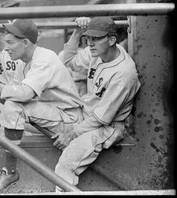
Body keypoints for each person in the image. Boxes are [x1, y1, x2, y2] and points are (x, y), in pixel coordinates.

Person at [0, 19, 84, 193]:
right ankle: (8, 170)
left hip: (69, 118)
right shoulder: (23, 62)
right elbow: (15, 90)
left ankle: (10, 172)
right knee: (7, 113)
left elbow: (24, 94)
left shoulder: (44, 58)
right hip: (51, 114)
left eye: (10, 42)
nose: (6, 48)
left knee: (13, 106)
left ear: (26, 42)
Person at [53, 17, 141, 191]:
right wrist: (78, 31)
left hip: (107, 128)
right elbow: (67, 61)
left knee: (65, 163)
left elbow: (102, 119)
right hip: (87, 115)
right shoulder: (96, 52)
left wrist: (72, 133)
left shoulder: (124, 74)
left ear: (111, 40)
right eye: (89, 38)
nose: (90, 43)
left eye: (96, 38)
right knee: (32, 113)